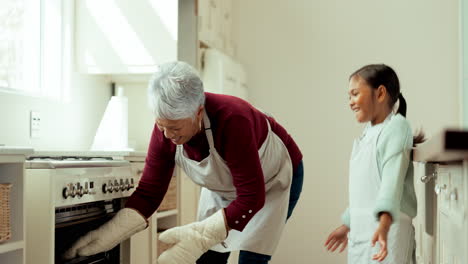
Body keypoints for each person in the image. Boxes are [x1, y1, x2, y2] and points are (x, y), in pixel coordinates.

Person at [64, 61, 304, 264]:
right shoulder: (166, 128)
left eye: (175, 127)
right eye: (161, 125)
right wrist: (106, 236)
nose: (168, 135)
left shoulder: (233, 120)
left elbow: (252, 197)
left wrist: (199, 235)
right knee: (209, 257)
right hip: (225, 188)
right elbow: (149, 192)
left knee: (251, 256)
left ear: (198, 113)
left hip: (272, 180)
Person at [324, 64, 423, 263]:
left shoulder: (396, 127)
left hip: (388, 231)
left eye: (355, 94)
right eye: (348, 96)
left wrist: (384, 226)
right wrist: (347, 225)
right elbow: (365, 192)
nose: (350, 102)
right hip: (362, 234)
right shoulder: (367, 133)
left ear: (380, 94)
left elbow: (390, 185)